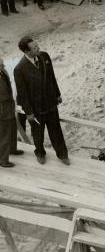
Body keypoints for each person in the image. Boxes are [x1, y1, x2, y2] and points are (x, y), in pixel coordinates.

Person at [14, 37, 69, 165]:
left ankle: (62, 154)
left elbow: (52, 77)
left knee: (56, 130)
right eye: (35, 48)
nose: (38, 48)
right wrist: (28, 112)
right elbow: (22, 94)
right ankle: (40, 153)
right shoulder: (19, 69)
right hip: (36, 108)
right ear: (27, 52)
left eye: (37, 46)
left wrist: (57, 94)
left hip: (51, 103)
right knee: (38, 133)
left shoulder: (44, 56)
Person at [0, 57, 24, 168]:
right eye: (1, 63)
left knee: (12, 128)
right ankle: (3, 160)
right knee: (4, 133)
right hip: (2, 108)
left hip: (9, 105)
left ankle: (12, 149)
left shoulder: (2, 71)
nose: (3, 65)